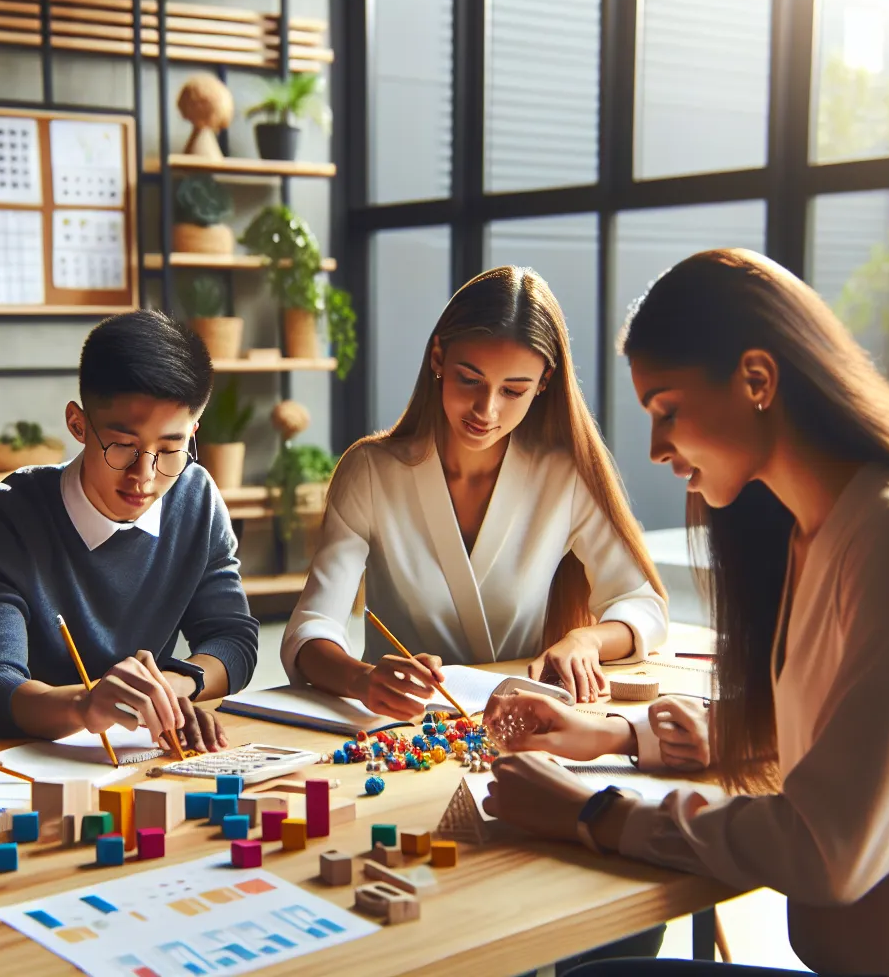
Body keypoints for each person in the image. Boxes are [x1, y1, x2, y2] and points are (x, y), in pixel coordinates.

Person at [484, 249, 889, 977]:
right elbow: (840, 738)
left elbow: (833, 847)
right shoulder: (819, 531)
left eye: (668, 410)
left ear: (757, 378)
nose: (658, 449)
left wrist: (595, 812)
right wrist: (612, 733)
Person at [280, 265, 669, 718]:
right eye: (470, 380)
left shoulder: (564, 476)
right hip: (397, 729)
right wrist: (361, 678)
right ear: (438, 358)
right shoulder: (371, 471)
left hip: (523, 724)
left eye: (513, 390)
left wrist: (586, 639)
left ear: (543, 384)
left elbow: (642, 605)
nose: (487, 410)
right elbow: (312, 627)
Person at [0, 311, 255, 751]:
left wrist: (168, 689)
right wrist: (85, 704)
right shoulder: (4, 513)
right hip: (25, 761)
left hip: (139, 759)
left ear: (193, 432)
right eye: (123, 447)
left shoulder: (195, 497)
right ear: (78, 424)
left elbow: (233, 640)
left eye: (170, 449)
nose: (144, 477)